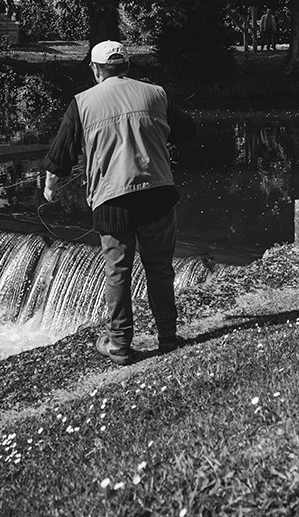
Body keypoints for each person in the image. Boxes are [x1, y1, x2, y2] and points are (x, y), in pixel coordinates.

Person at [42, 40, 198, 364]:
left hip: (113, 204)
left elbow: (62, 153)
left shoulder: (82, 102)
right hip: (157, 195)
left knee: (118, 274)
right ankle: (168, 337)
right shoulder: (155, 93)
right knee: (159, 270)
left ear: (96, 70)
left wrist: (50, 187)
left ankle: (120, 346)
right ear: (126, 66)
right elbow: (188, 131)